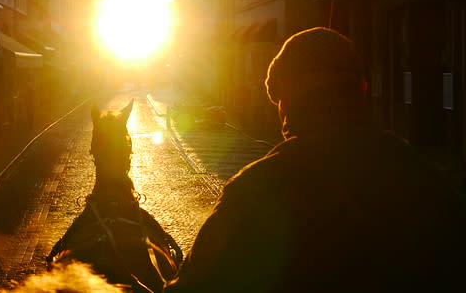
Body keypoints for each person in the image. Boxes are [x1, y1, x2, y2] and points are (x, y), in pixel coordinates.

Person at [165, 27, 466, 292]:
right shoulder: (423, 174)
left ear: (285, 95)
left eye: (278, 99)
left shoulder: (257, 188)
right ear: (362, 89)